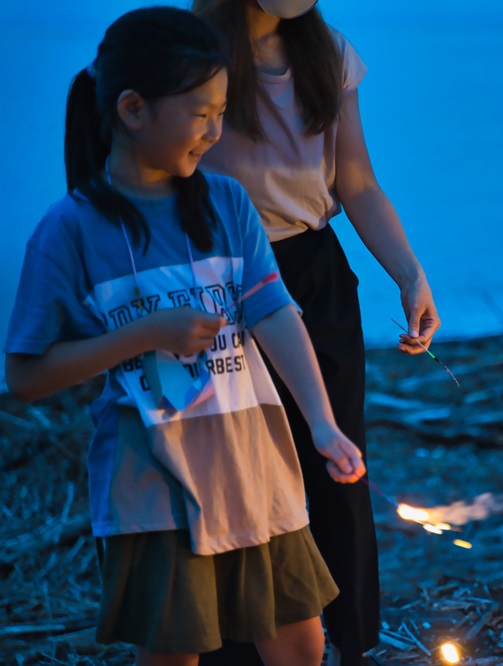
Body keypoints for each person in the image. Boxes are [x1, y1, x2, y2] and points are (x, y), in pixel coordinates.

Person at [3, 7, 367, 665]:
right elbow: (26, 376)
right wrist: (145, 333)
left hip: (258, 471)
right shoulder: (71, 232)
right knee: (177, 650)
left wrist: (320, 421)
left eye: (222, 110)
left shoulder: (227, 204)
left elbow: (275, 313)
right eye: (200, 113)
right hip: (153, 488)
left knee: (301, 643)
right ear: (134, 109)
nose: (216, 130)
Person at [190, 2, 441, 664]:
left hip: (314, 271)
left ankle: (350, 639)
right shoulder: (190, 49)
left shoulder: (328, 51)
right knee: (233, 471)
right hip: (213, 280)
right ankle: (236, 647)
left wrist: (409, 273)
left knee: (335, 463)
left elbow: (354, 180)